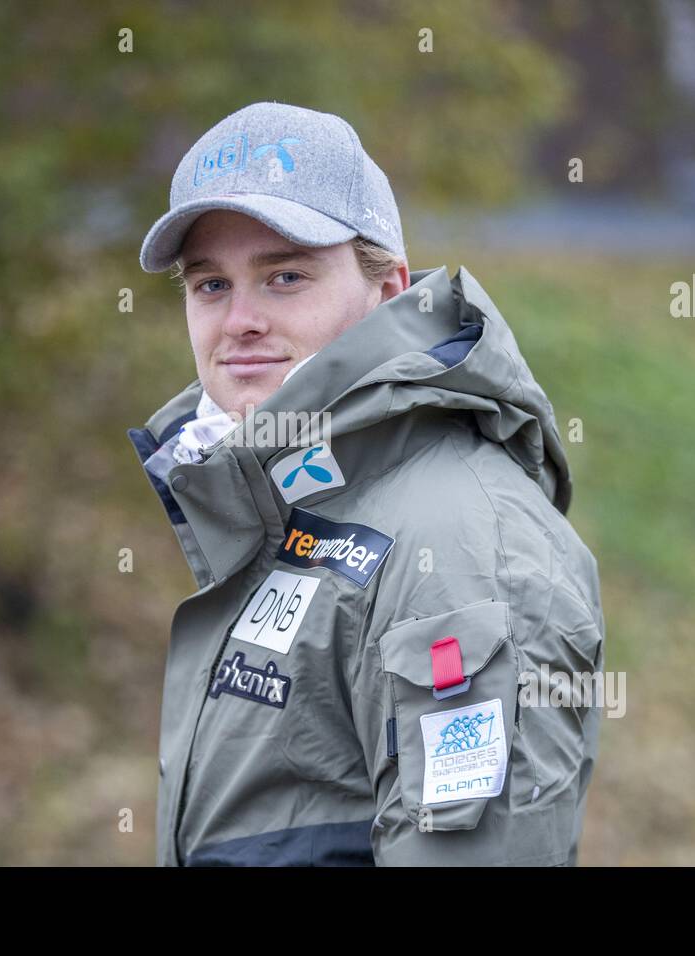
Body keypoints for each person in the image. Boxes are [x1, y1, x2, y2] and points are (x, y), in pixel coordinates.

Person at [128, 101, 605, 866]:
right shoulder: (284, 502)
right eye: (210, 284)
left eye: (285, 276)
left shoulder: (464, 549)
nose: (239, 319)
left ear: (389, 293)